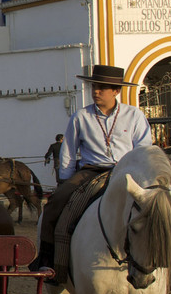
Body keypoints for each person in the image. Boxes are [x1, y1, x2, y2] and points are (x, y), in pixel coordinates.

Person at [31, 64, 154, 278]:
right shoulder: (81, 116)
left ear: (116, 91)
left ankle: (164, 274)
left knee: (158, 212)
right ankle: (48, 259)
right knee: (54, 205)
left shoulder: (134, 115)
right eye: (94, 87)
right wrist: (65, 182)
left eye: (101, 88)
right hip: (91, 172)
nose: (95, 91)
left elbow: (144, 150)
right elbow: (68, 152)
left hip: (126, 172)